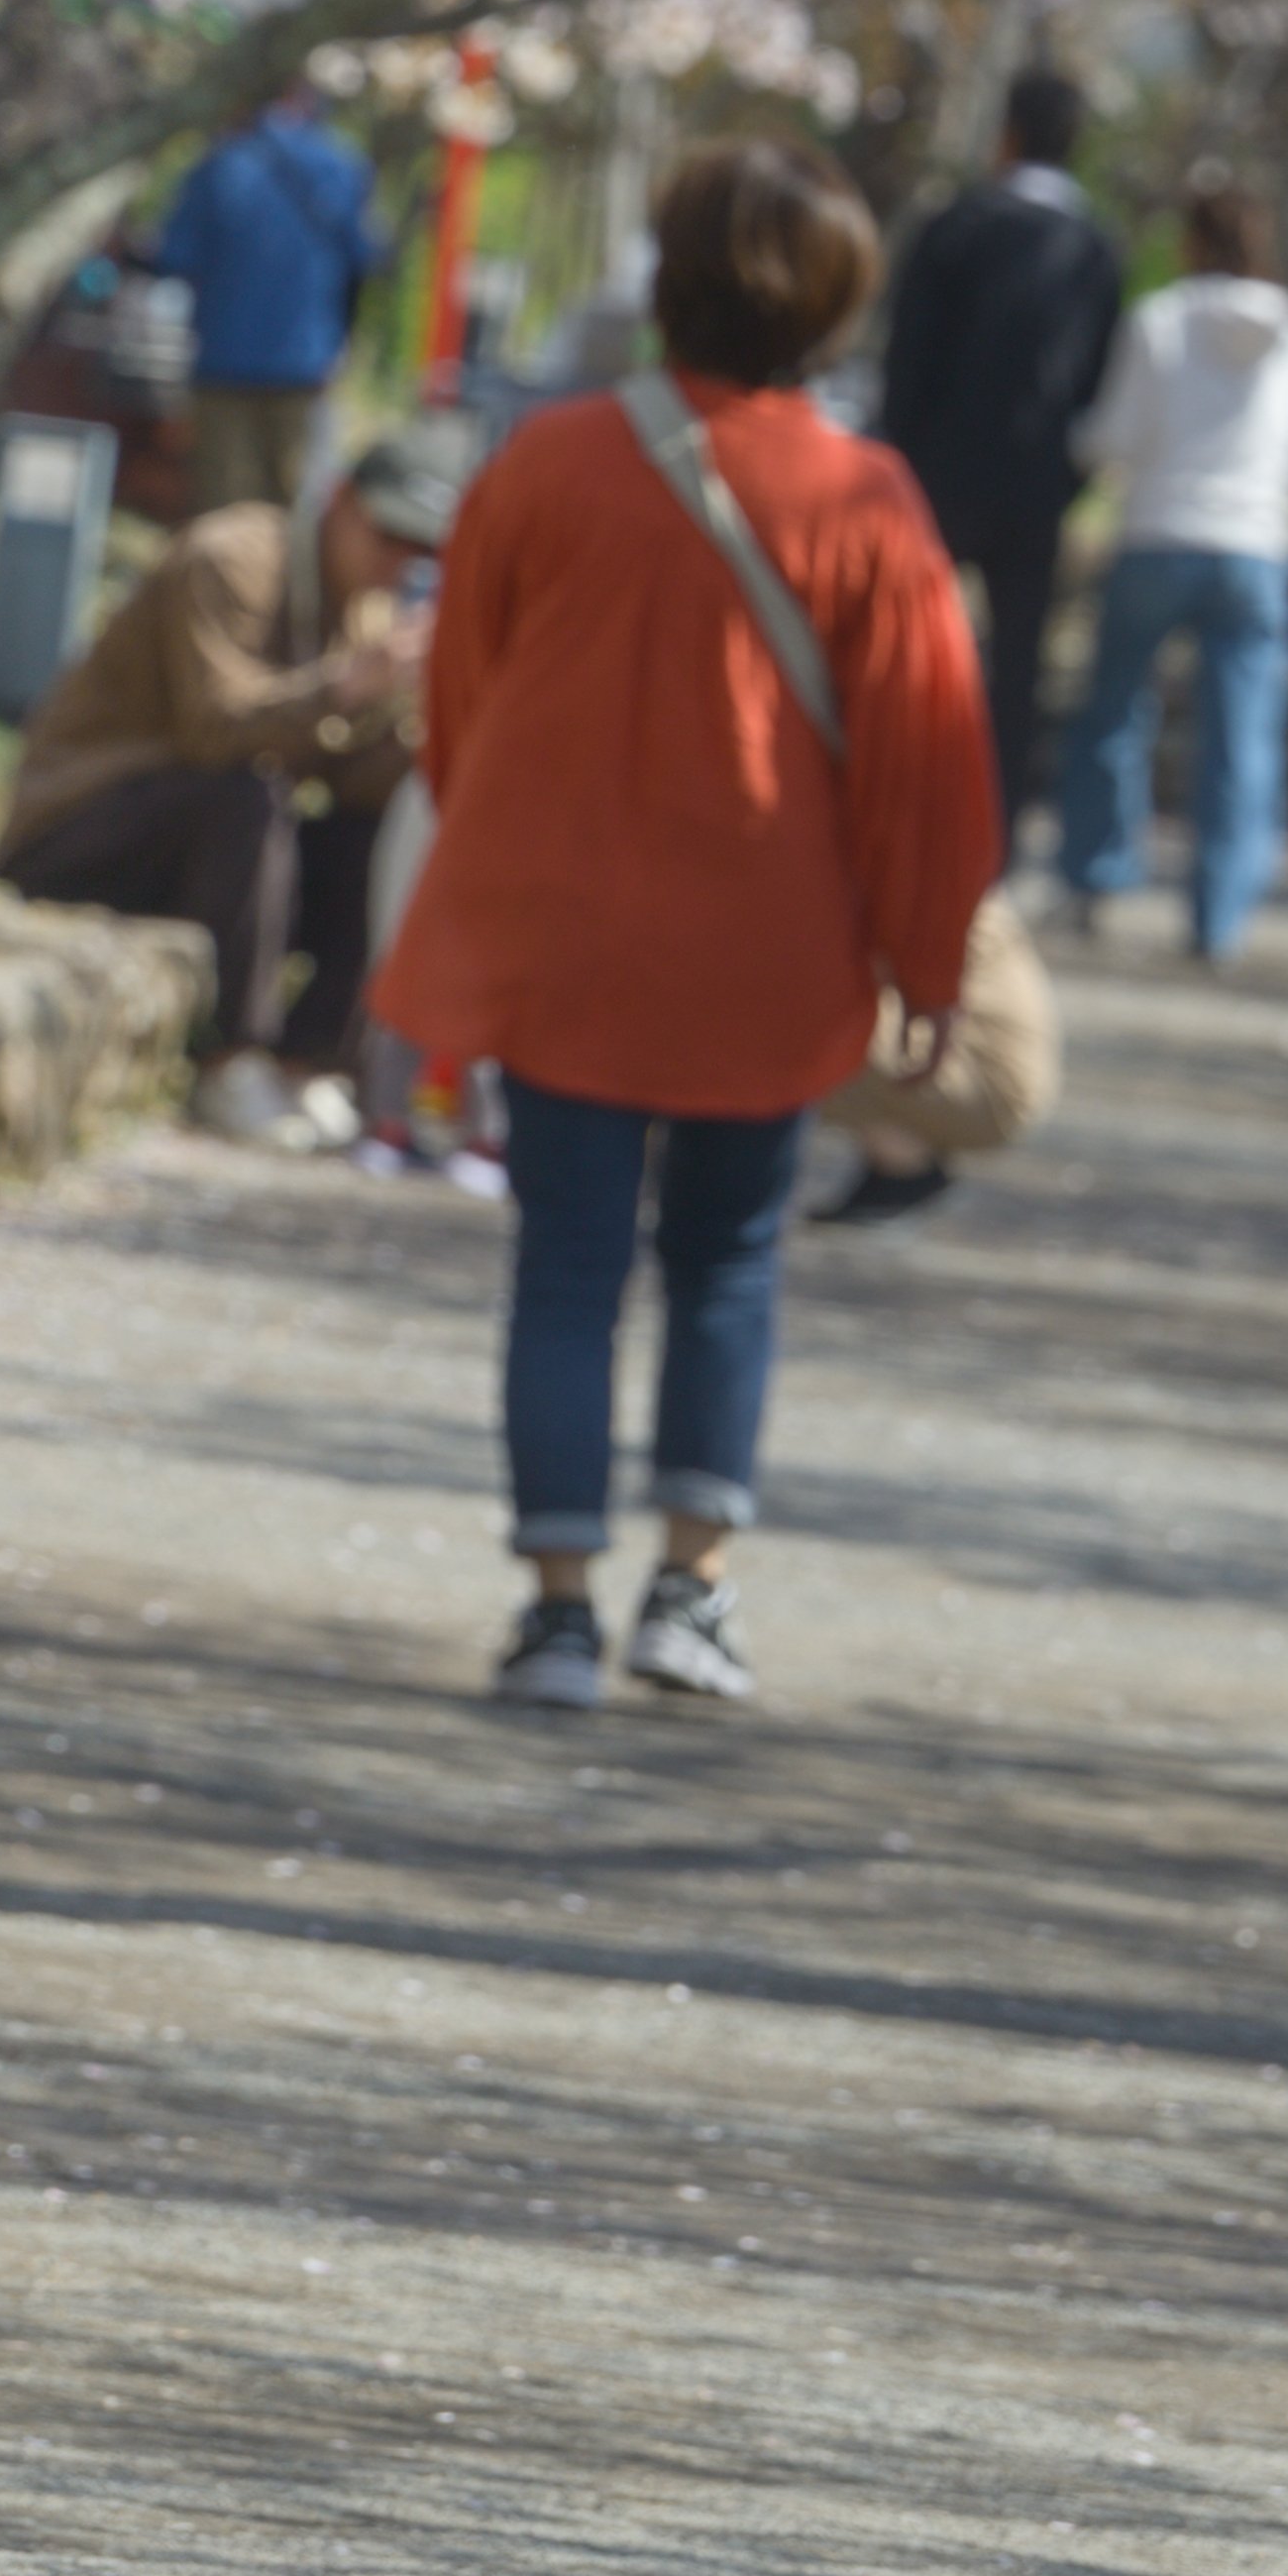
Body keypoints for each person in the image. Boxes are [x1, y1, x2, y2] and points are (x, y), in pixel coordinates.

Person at [376, 141, 995, 1719]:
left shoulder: (548, 462)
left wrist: (496, 854)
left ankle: (557, 1608)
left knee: (566, 1263)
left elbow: (464, 702)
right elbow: (928, 753)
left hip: (572, 934)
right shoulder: (868, 495)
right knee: (727, 1266)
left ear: (669, 278)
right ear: (840, 301)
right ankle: (692, 1590)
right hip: (769, 948)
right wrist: (927, 956)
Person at [0, 420, 462, 1145]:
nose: (399, 561)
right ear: (338, 500)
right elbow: (215, 730)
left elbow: (346, 781)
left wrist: (429, 738)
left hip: (198, 839)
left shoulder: (367, 606)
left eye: (420, 549)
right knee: (245, 797)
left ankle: (310, 1061)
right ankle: (229, 1059)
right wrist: (346, 686)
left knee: (378, 828)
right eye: (389, 534)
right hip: (76, 827)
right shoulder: (232, 556)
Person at [1048, 168, 1288, 955]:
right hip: (1257, 544)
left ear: (1193, 241)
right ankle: (1221, 910)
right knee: (1242, 732)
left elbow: (1116, 437)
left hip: (1160, 532)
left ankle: (1097, 875)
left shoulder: (1161, 320)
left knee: (1114, 711)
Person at [877, 56, 1124, 828]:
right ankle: (996, 825)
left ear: (1007, 133)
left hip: (935, 475)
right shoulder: (1095, 247)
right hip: (1036, 479)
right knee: (1017, 669)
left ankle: (893, 799)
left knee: (905, 648)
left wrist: (894, 458)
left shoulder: (955, 227)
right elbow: (1096, 375)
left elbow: (906, 358)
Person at [139, 73, 381, 516]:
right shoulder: (343, 165)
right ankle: (292, 587)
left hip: (223, 362)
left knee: (225, 511)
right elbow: (365, 255)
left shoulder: (220, 165)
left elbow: (175, 257)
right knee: (297, 506)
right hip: (305, 363)